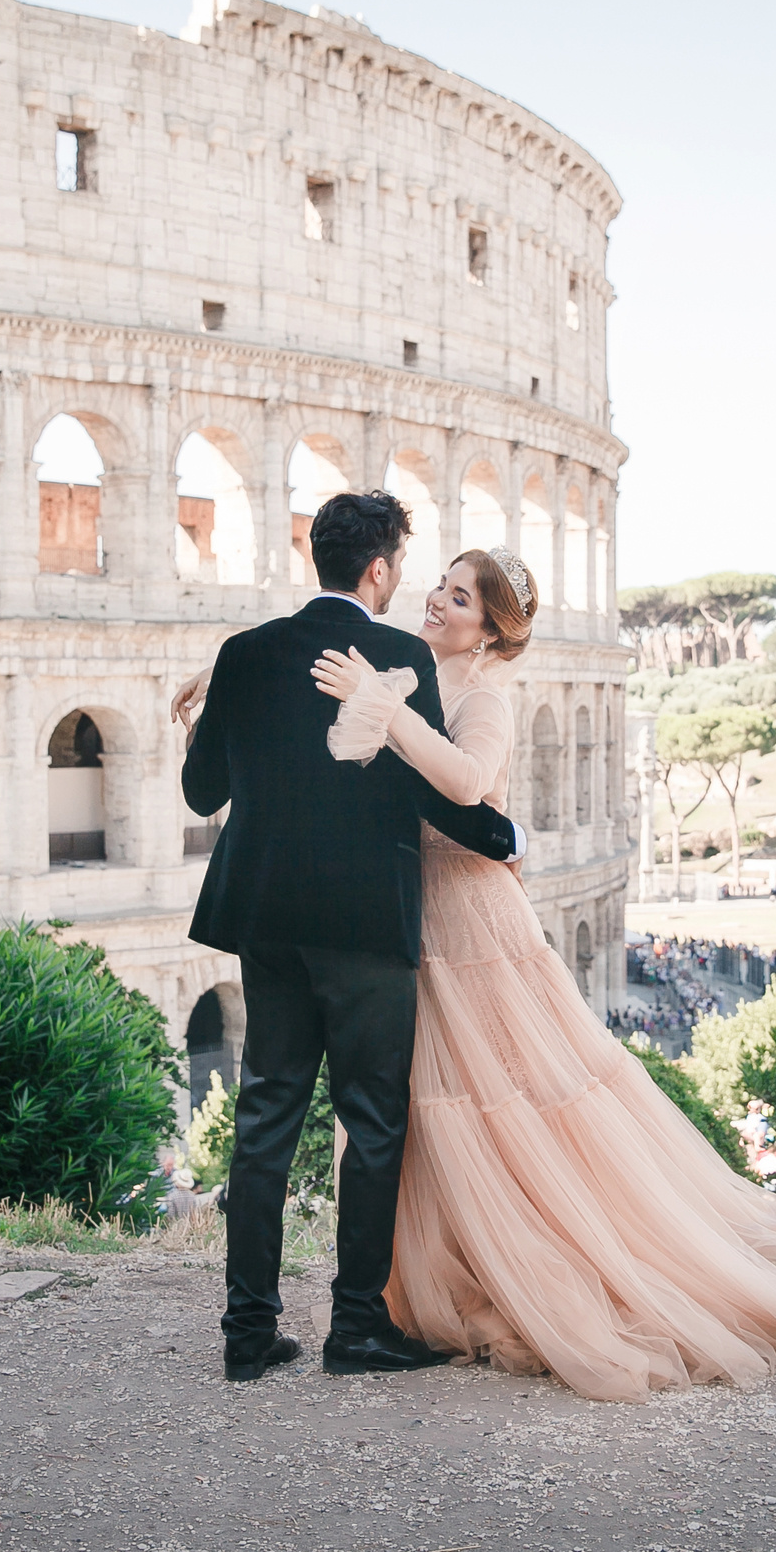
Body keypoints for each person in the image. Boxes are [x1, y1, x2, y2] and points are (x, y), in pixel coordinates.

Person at [311, 545, 776, 1401]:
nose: (438, 601)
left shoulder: (484, 696)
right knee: (427, 1103)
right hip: (411, 909)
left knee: (503, 1094)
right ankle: (446, 1271)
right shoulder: (412, 674)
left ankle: (539, 1269)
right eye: (441, 585)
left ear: (491, 632)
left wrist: (388, 711)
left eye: (460, 598)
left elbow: (469, 781)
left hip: (468, 911)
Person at [178, 492, 522, 1385]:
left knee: (266, 1117)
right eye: (402, 565)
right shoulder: (402, 659)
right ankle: (357, 1327)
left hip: (268, 918)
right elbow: (436, 793)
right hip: (366, 922)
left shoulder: (243, 654)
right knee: (371, 1121)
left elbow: (202, 793)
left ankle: (248, 1331)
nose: (406, 581)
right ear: (377, 569)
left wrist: (215, 719)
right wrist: (506, 838)